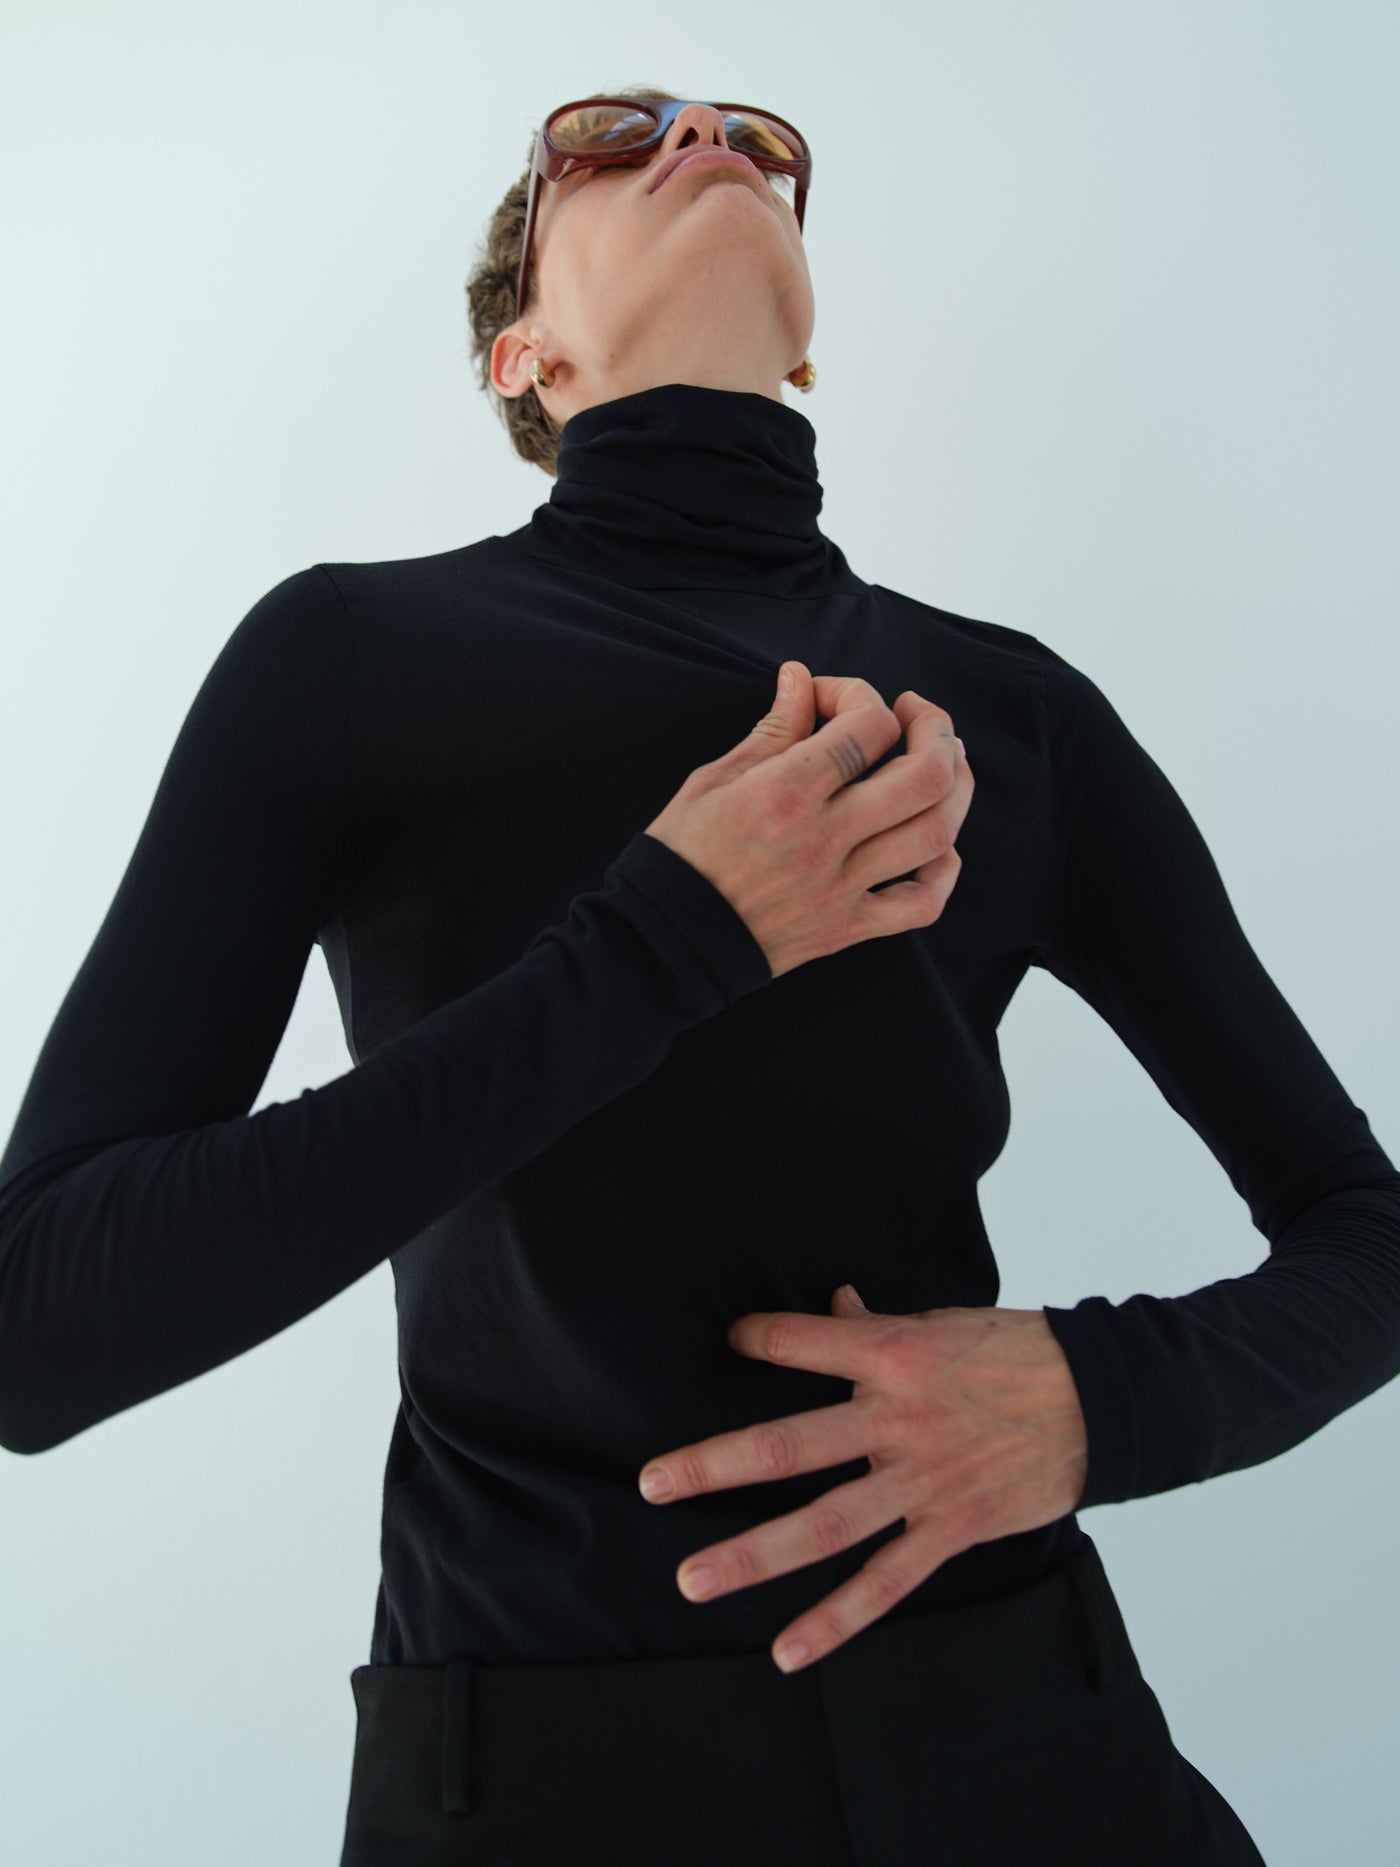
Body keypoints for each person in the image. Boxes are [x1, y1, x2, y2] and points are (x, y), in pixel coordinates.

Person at [3, 85, 1397, 1866]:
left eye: (754, 141)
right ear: (522, 357)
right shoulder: (342, 656)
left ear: (806, 344)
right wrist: (667, 941)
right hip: (530, 1779)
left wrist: (1099, 1398)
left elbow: (1368, 1234)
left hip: (1033, 1749)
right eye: (609, 138)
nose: (707, 140)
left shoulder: (1020, 709)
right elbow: (38, 1327)